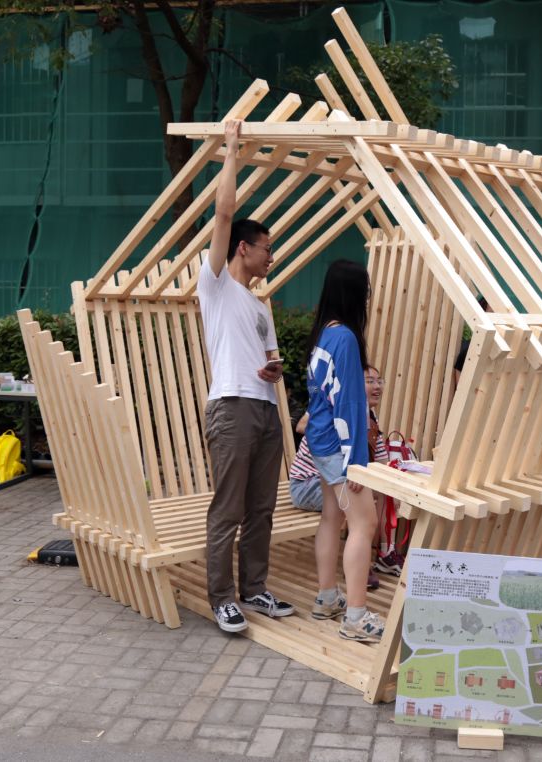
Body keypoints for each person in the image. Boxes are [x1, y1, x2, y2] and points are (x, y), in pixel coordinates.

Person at [197, 121, 294, 634]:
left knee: (261, 508)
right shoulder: (213, 285)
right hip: (231, 407)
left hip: (263, 406)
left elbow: (272, 362)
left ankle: (254, 589)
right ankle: (222, 598)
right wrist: (232, 151)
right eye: (265, 248)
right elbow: (224, 212)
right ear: (242, 249)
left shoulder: (261, 306)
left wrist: (274, 371)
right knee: (228, 508)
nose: (270, 256)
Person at [305, 259, 385, 642]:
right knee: (363, 524)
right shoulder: (347, 339)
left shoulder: (324, 333)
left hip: (320, 441)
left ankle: (327, 598)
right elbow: (350, 404)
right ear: (357, 295)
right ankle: (355, 616)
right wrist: (355, 462)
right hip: (340, 447)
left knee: (331, 519)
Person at [288, 365, 391, 590]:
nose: (376, 386)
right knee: (361, 502)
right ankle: (363, 566)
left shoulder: (370, 418)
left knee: (381, 491)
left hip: (333, 482)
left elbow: (383, 462)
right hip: (307, 485)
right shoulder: (337, 412)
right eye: (369, 381)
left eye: (379, 381)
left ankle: (384, 552)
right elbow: (304, 428)